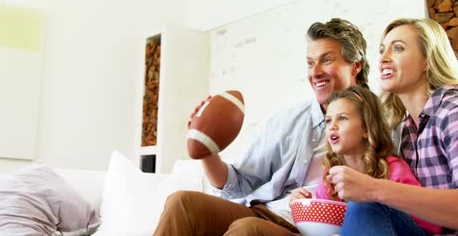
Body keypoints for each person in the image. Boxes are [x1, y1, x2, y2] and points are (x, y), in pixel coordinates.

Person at [154, 18, 370, 235]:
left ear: (356, 65)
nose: (315, 72)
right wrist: (206, 148)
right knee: (182, 203)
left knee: (248, 230)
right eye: (310, 63)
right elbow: (239, 183)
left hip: (306, 229)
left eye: (327, 60)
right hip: (266, 212)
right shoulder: (289, 120)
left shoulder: (379, 124)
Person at [327, 18, 458, 235]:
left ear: (428, 60)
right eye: (382, 50)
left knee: (366, 204)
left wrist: (373, 189)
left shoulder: (452, 111)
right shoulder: (406, 129)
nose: (383, 59)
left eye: (398, 48)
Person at [289, 85, 441, 235]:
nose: (332, 127)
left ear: (366, 128)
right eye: (328, 121)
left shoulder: (393, 169)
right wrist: (305, 205)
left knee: (362, 202)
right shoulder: (331, 175)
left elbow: (431, 224)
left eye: (342, 118)